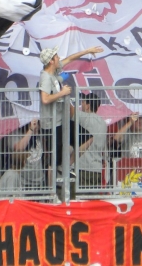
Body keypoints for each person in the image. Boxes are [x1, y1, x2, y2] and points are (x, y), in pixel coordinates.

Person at [38, 45, 103, 175]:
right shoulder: (45, 77)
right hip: (51, 124)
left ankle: (67, 166)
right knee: (52, 161)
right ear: (51, 61)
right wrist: (62, 93)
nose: (59, 58)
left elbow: (69, 59)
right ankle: (52, 186)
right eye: (56, 56)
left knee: (87, 138)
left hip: (61, 120)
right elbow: (45, 99)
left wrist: (87, 51)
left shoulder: (54, 71)